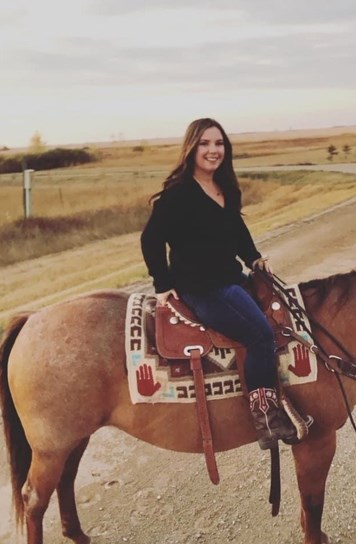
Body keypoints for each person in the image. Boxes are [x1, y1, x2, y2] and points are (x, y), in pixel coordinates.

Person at [140, 117, 310, 448]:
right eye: (205, 143)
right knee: (260, 334)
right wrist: (162, 283)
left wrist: (254, 259)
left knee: (285, 312)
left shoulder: (224, 188)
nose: (213, 150)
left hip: (232, 277)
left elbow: (237, 232)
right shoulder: (179, 195)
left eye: (218, 144)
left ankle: (288, 396)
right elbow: (151, 239)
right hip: (204, 288)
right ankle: (265, 419)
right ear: (191, 148)